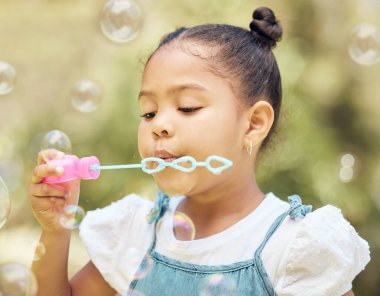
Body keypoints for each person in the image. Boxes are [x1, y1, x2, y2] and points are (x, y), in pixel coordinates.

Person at [28, 6, 370, 296]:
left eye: (188, 107)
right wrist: (56, 229)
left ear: (253, 124)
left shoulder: (294, 249)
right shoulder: (137, 233)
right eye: (148, 112)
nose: (158, 125)